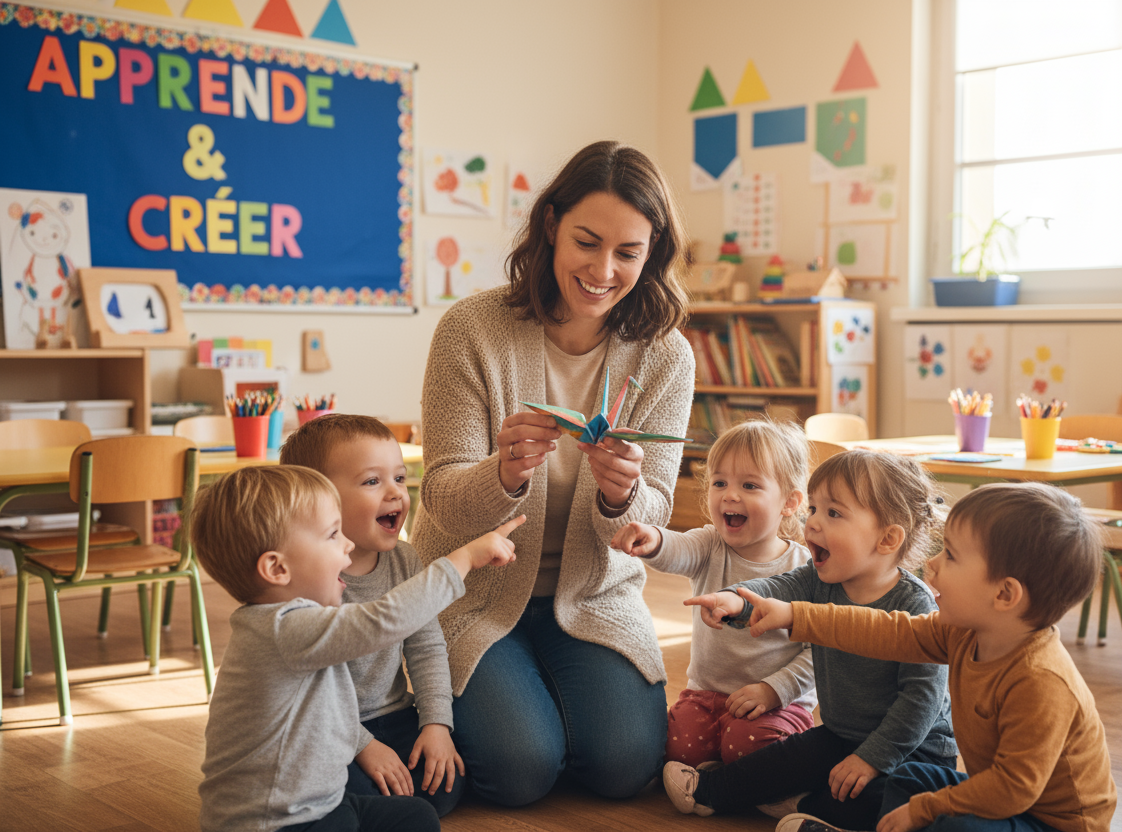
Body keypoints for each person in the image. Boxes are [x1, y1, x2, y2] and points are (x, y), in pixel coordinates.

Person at [412, 139, 695, 807]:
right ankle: (443, 693)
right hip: (474, 597)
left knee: (625, 768)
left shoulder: (665, 356)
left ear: (652, 254)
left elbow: (653, 516)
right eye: (587, 243)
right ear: (550, 228)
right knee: (518, 773)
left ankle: (535, 700)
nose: (603, 270)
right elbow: (439, 495)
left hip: (593, 599)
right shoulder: (470, 331)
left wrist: (623, 493)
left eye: (628, 253)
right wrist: (504, 474)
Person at [745, 482, 1116, 832]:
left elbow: (1012, 789)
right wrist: (797, 615)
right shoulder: (964, 633)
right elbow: (887, 631)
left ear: (1005, 595)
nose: (933, 565)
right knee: (912, 778)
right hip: (1009, 803)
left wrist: (925, 809)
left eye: (951, 555)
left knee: (948, 821)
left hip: (1050, 823)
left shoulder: (1041, 681)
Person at [189, 465, 520, 832]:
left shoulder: (293, 624)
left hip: (322, 802)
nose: (347, 543)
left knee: (419, 817)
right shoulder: (283, 628)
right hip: (275, 823)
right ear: (277, 568)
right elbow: (385, 620)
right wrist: (465, 558)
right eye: (332, 535)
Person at [665, 450, 958, 831]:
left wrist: (871, 759)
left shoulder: (914, 605)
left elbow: (921, 702)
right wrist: (735, 599)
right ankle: (709, 791)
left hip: (913, 752)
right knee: (781, 761)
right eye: (814, 508)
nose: (812, 522)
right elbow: (775, 588)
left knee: (883, 800)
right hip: (841, 734)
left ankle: (812, 807)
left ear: (887, 539)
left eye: (833, 513)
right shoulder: (820, 579)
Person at [279, 414, 464, 815]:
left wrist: (436, 725)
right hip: (328, 727)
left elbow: (427, 648)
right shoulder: (309, 580)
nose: (395, 493)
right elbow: (309, 692)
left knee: (446, 787)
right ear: (320, 501)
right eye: (372, 481)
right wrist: (362, 746)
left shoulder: (406, 560)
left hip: (396, 715)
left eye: (399, 477)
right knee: (366, 793)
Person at [611, 419, 817, 767]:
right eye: (719, 482)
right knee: (681, 751)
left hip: (778, 701)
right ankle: (714, 778)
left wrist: (774, 690)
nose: (730, 495)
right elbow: (679, 547)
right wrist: (654, 538)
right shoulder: (710, 544)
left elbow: (819, 654)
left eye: (750, 485)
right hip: (706, 695)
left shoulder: (806, 568)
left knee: (748, 750)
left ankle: (730, 781)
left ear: (790, 502)